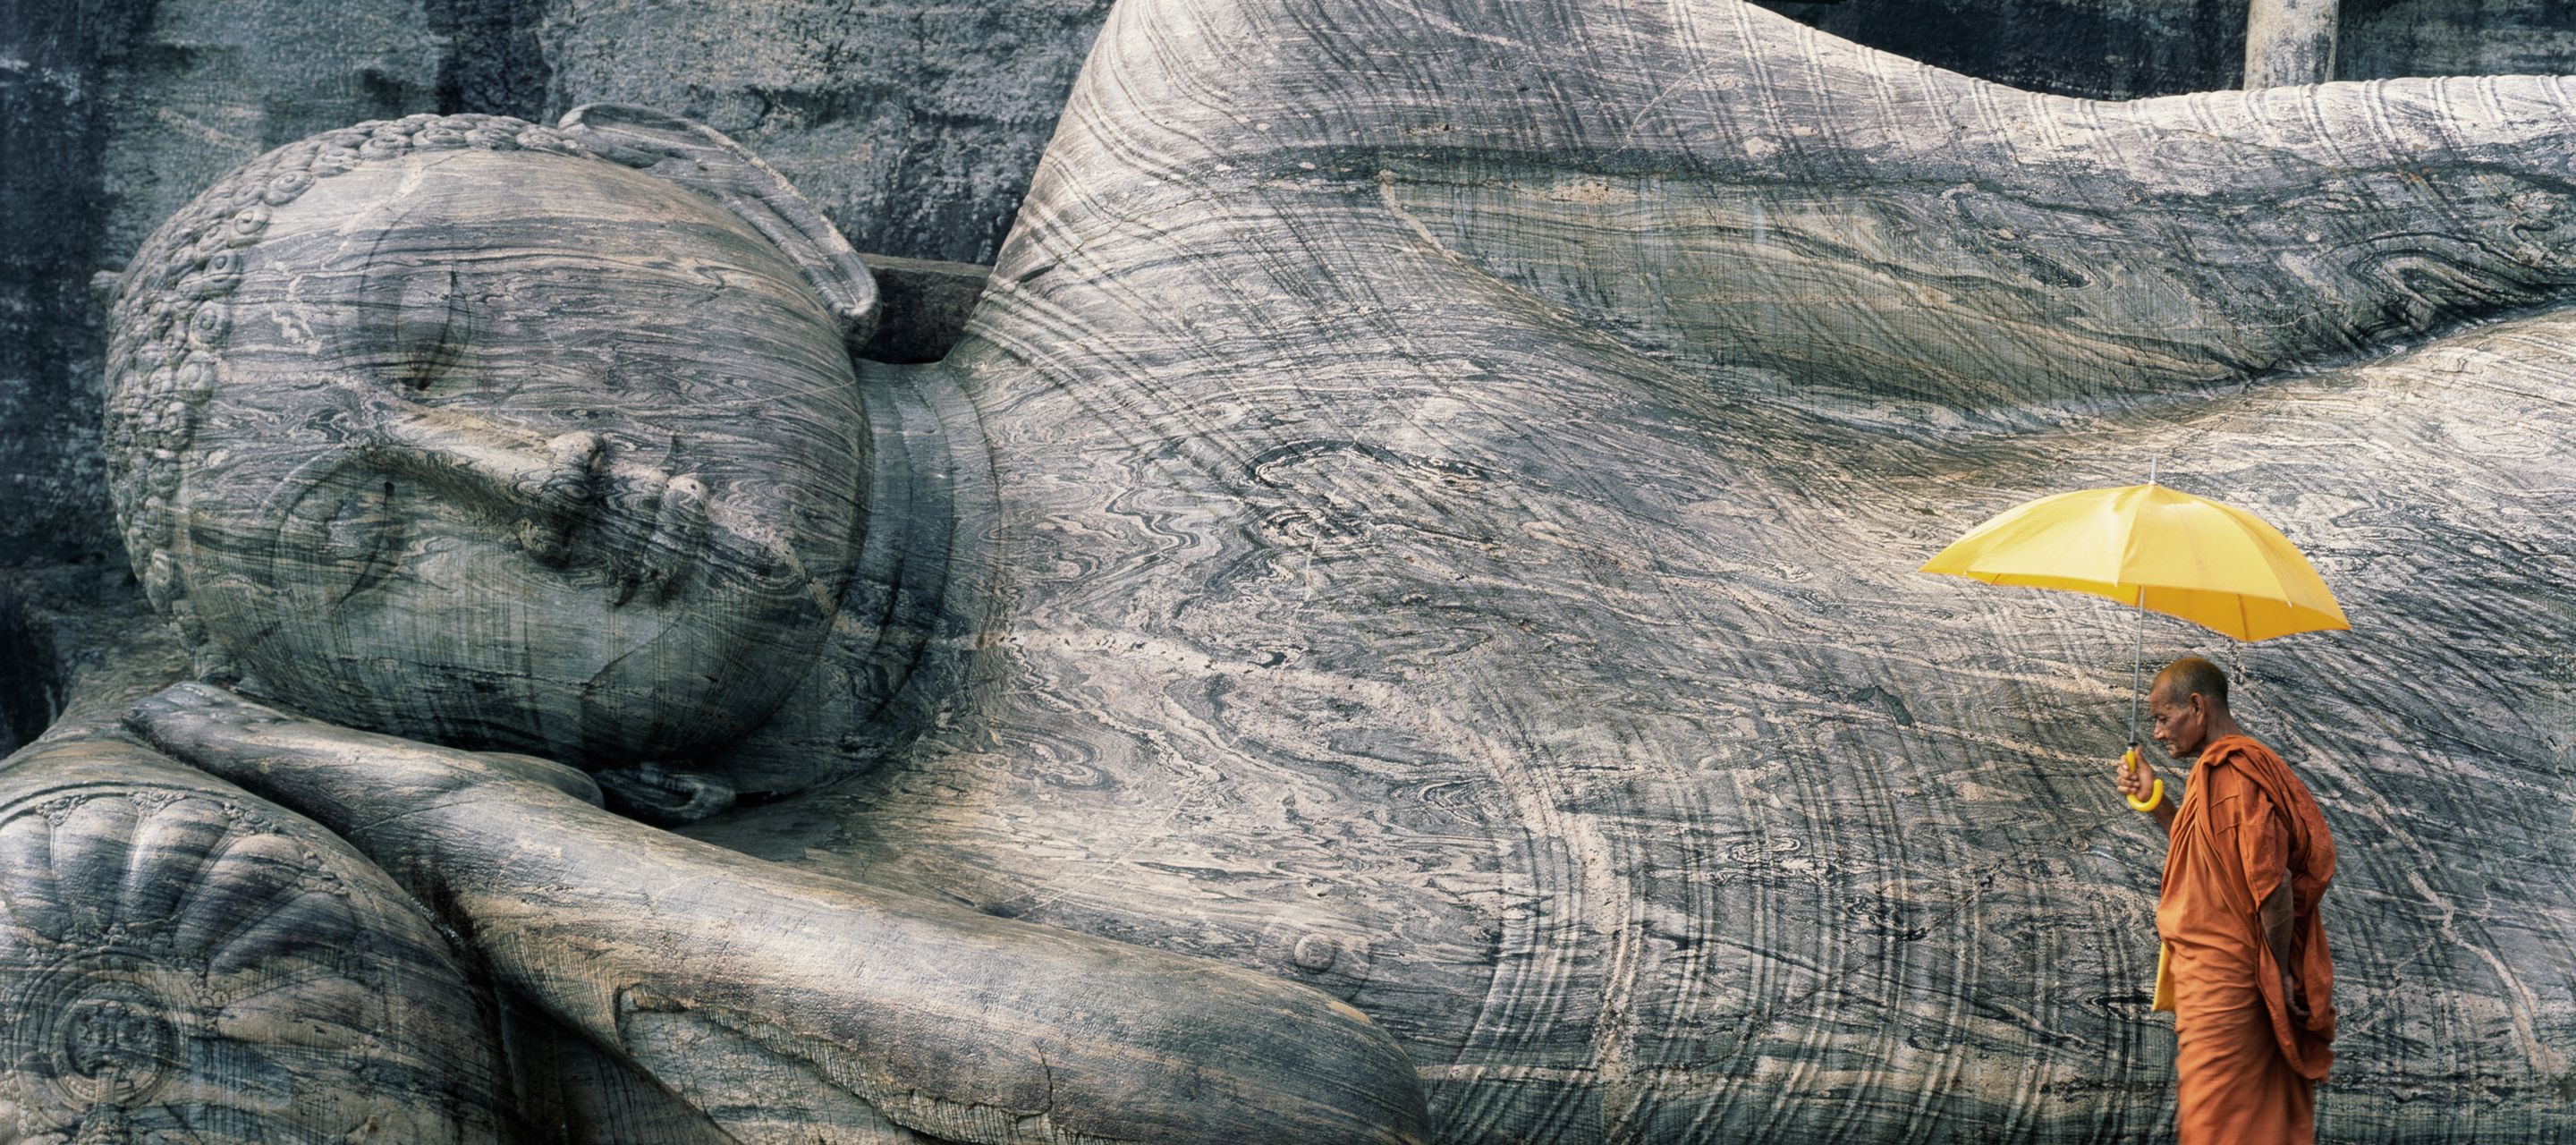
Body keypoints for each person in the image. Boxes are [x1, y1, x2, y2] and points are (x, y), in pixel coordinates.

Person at [2115, 657, 2338, 1143]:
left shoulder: (2233, 774)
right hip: (2215, 976)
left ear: (2197, 707)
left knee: (2218, 1119)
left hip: (2232, 983)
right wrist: (2155, 801)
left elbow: (2274, 888)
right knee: (2245, 1119)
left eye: (2162, 717)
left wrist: (2276, 973)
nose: (2157, 733)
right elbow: (2204, 853)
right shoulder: (2216, 773)